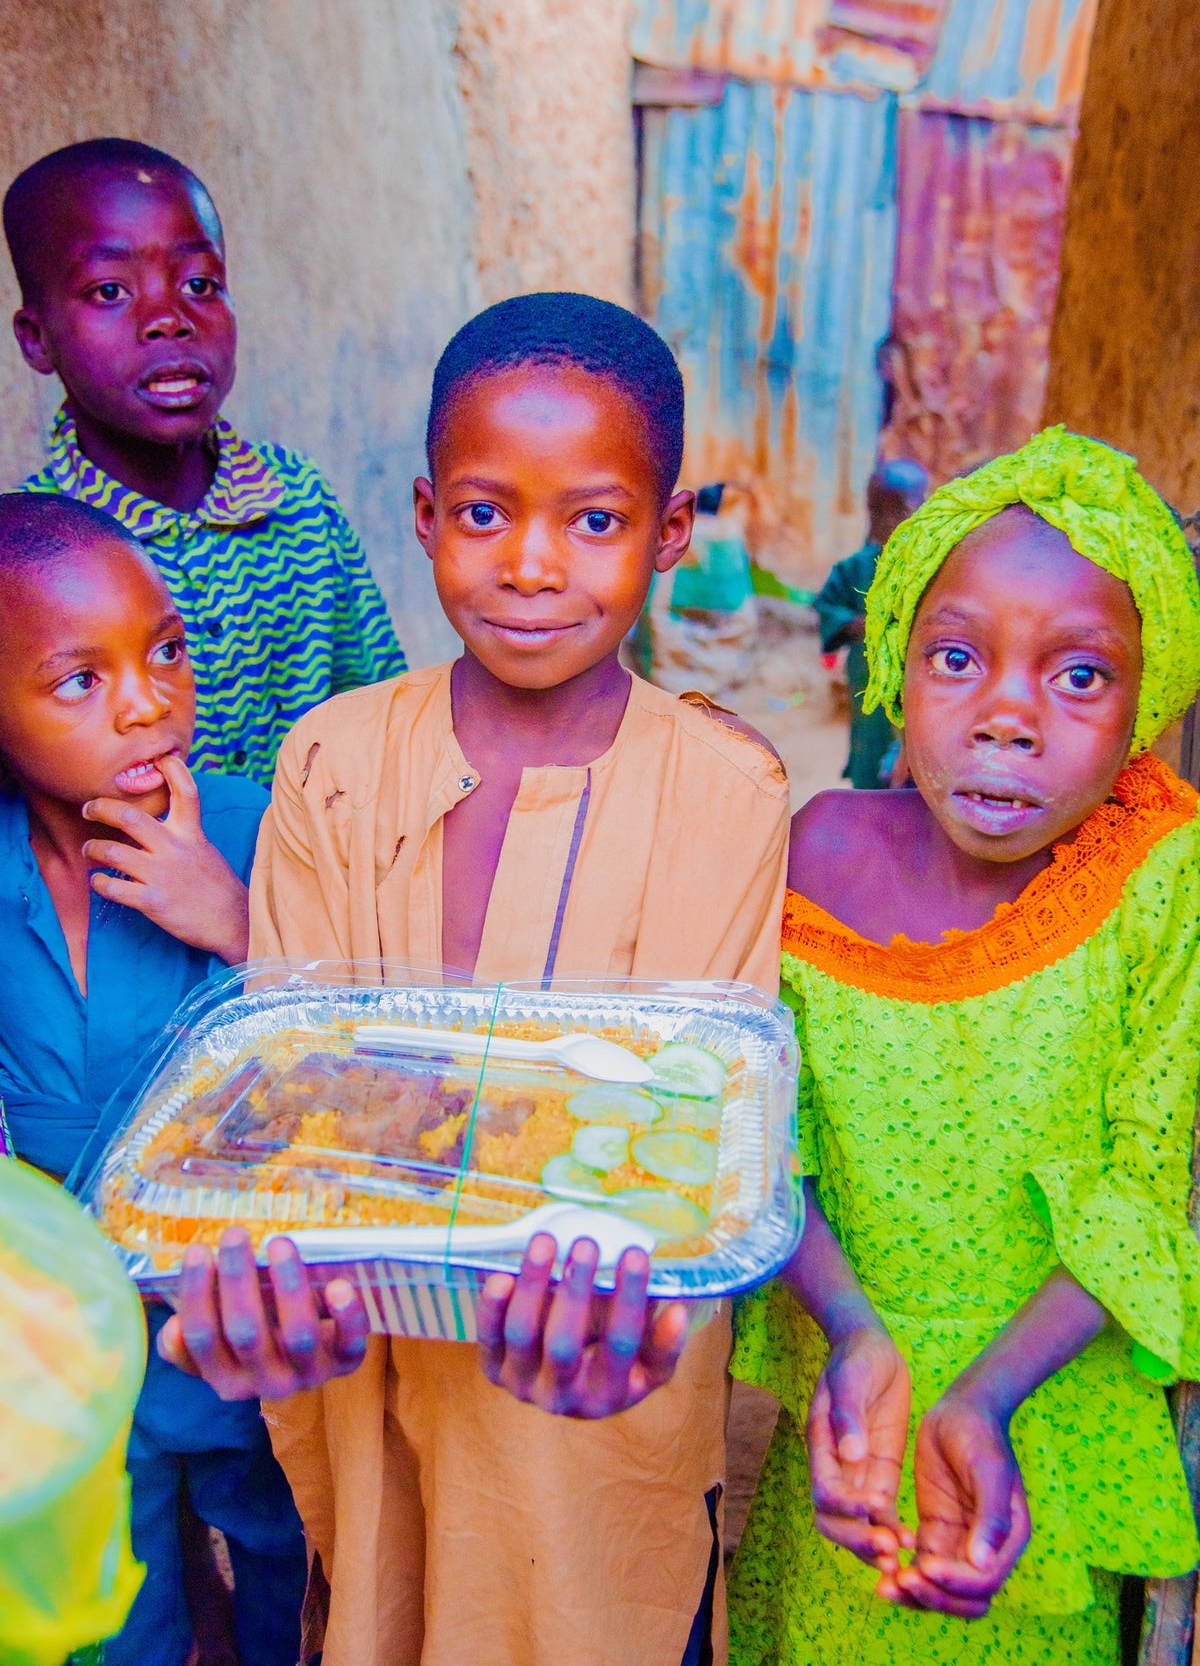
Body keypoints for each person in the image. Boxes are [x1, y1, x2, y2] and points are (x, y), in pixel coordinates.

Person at [158, 291, 792, 1666]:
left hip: (598, 1380)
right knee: (379, 1597)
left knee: (589, 1606)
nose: (531, 565)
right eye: (487, 512)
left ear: (671, 531)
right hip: (363, 1376)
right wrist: (259, 1285)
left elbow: (688, 1127)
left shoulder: (726, 791)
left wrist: (643, 1300)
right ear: (426, 512)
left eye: (596, 520)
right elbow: (296, 1089)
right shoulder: (334, 762)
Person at [730, 427, 1200, 1665]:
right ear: (893, 661)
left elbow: (1143, 1198)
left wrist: (985, 1395)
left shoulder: (1155, 880)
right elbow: (768, 1145)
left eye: (1080, 675)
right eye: (956, 657)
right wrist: (852, 1329)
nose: (1007, 716)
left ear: (1147, 701)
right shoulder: (815, 851)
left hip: (1046, 1430)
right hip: (853, 1431)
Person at [0, 492, 307, 1666]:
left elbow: (354, 1059)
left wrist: (230, 918)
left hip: (243, 1320)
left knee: (286, 1548)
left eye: (166, 652)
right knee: (118, 1599)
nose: (146, 702)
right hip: (65, 1338)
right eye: (81, 679)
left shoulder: (253, 828)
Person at [4, 137, 404, 786]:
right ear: (36, 338)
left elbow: (381, 714)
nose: (168, 319)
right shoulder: (30, 561)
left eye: (199, 284)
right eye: (109, 291)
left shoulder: (298, 500)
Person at [814, 458, 928, 789]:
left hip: (916, 677)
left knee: (916, 749)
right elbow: (828, 607)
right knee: (869, 745)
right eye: (880, 511)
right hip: (867, 674)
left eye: (903, 509)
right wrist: (866, 624)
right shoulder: (855, 567)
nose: (889, 520)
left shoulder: (932, 565)